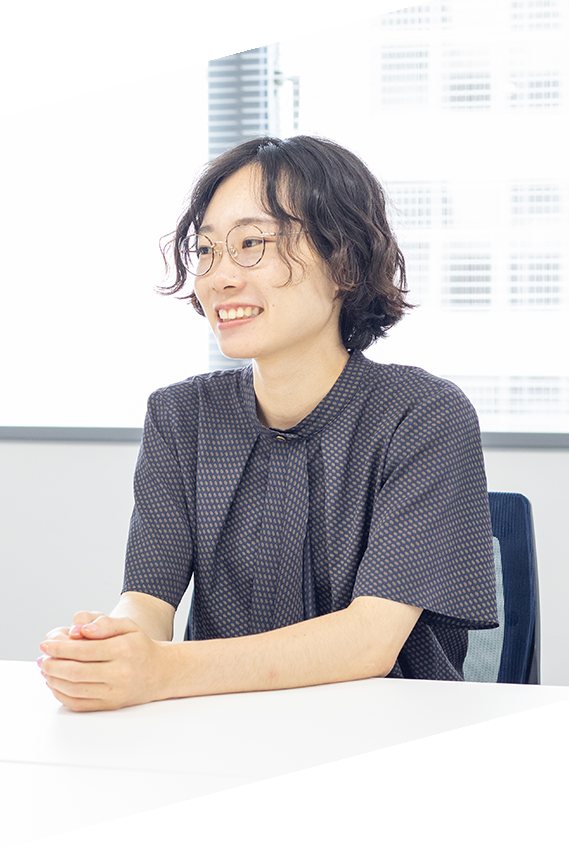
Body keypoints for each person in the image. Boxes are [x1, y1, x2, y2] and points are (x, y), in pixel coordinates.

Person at [39, 135, 498, 711]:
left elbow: (369, 642)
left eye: (251, 243)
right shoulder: (180, 417)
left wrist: (161, 669)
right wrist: (112, 646)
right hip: (225, 729)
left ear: (344, 263)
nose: (218, 277)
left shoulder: (422, 413)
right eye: (206, 250)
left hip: (389, 734)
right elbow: (148, 599)